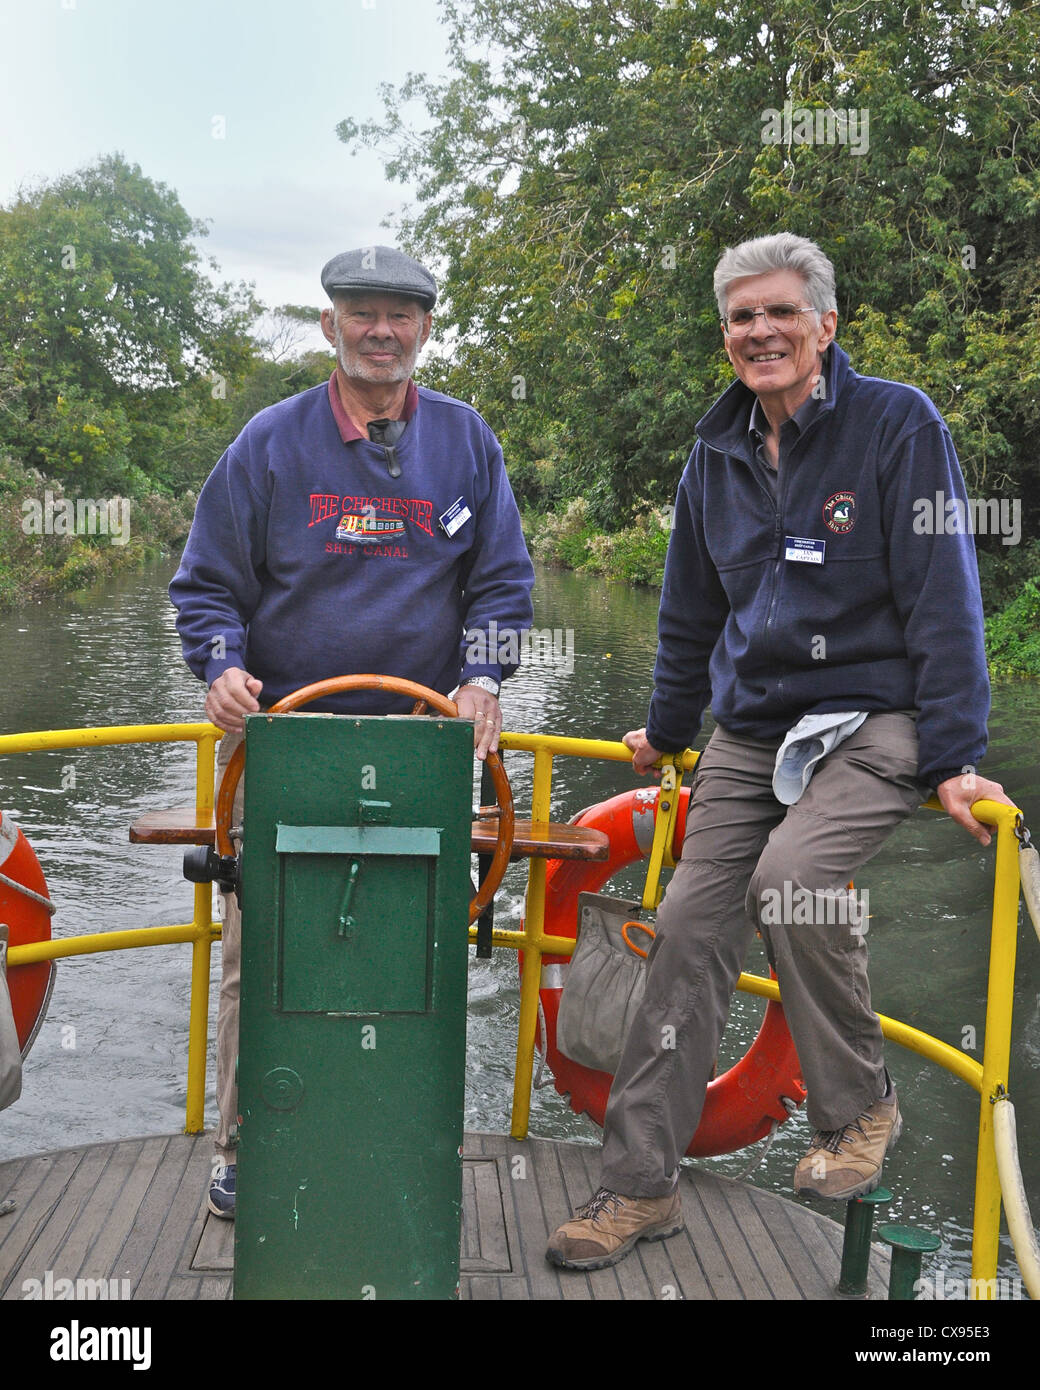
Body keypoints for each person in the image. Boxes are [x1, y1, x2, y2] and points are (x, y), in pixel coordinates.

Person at [546, 232, 1014, 1272]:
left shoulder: (895, 424)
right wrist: (667, 731)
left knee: (792, 877)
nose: (759, 332)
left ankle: (858, 1107)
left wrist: (953, 758)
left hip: (875, 713)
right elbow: (686, 613)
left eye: (778, 313)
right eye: (740, 317)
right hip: (751, 726)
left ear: (824, 327)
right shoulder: (710, 454)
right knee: (682, 930)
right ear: (725, 337)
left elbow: (944, 599)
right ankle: (637, 1187)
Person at [170, 245, 534, 1218]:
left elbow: (502, 588)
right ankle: (248, 1144)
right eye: (360, 313)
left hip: (422, 751)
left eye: (400, 314)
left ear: (423, 328)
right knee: (268, 954)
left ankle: (407, 1134)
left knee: (415, 949)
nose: (381, 330)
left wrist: (482, 676)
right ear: (329, 327)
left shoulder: (466, 443)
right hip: (283, 745)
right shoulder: (269, 444)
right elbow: (206, 587)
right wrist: (220, 666)